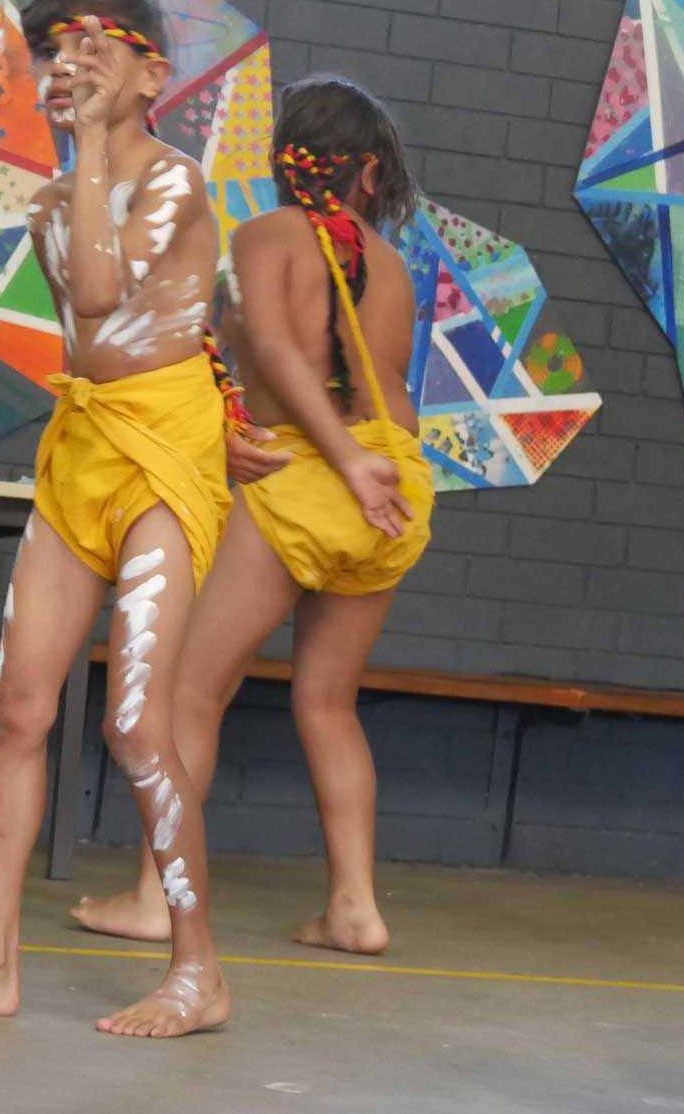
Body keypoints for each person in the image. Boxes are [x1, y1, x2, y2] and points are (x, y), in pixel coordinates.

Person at [0, 0, 233, 1038]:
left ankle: (196, 971)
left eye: (95, 49)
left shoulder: (174, 183)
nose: (66, 66)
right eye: (53, 51)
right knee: (16, 705)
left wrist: (85, 158)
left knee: (133, 720)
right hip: (82, 446)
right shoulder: (47, 205)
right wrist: (76, 170)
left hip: (165, 448)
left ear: (151, 73)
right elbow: (85, 313)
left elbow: (101, 294)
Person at [72, 74, 431, 959]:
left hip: (314, 478)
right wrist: (357, 460)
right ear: (371, 178)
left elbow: (269, 344)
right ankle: (355, 905)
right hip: (397, 485)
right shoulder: (390, 266)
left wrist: (330, 457)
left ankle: (163, 894)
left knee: (188, 687)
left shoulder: (269, 233)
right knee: (328, 701)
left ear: (285, 163)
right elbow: (357, 380)